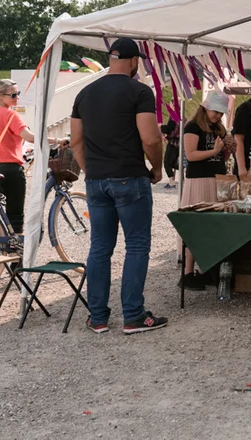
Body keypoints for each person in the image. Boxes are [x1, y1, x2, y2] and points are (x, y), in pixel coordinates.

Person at [71, 38, 167, 335]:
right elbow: (150, 138)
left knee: (100, 248)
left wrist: (91, 171)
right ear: (134, 61)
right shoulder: (139, 91)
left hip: (96, 180)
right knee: (136, 246)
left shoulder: (84, 93)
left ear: (111, 59)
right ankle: (133, 316)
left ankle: (97, 317)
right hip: (129, 176)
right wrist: (158, 167)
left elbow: (76, 140)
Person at [0, 80, 62, 233]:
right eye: (13, 95)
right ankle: (14, 252)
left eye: (18, 94)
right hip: (9, 168)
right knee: (15, 213)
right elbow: (30, 138)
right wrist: (57, 140)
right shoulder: (10, 115)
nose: (17, 97)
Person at [179, 91, 233, 291]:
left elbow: (221, 158)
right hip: (199, 180)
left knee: (213, 226)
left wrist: (227, 149)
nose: (218, 116)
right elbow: (191, 155)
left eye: (221, 113)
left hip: (216, 179)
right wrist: (215, 151)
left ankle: (206, 269)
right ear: (205, 108)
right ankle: (188, 272)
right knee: (196, 225)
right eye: (215, 112)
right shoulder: (192, 127)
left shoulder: (218, 129)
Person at [160, 118, 180, 189]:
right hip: (179, 143)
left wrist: (161, 127)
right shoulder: (181, 116)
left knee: (167, 163)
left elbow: (170, 130)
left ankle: (172, 182)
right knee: (174, 162)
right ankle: (185, 169)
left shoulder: (173, 117)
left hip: (173, 144)